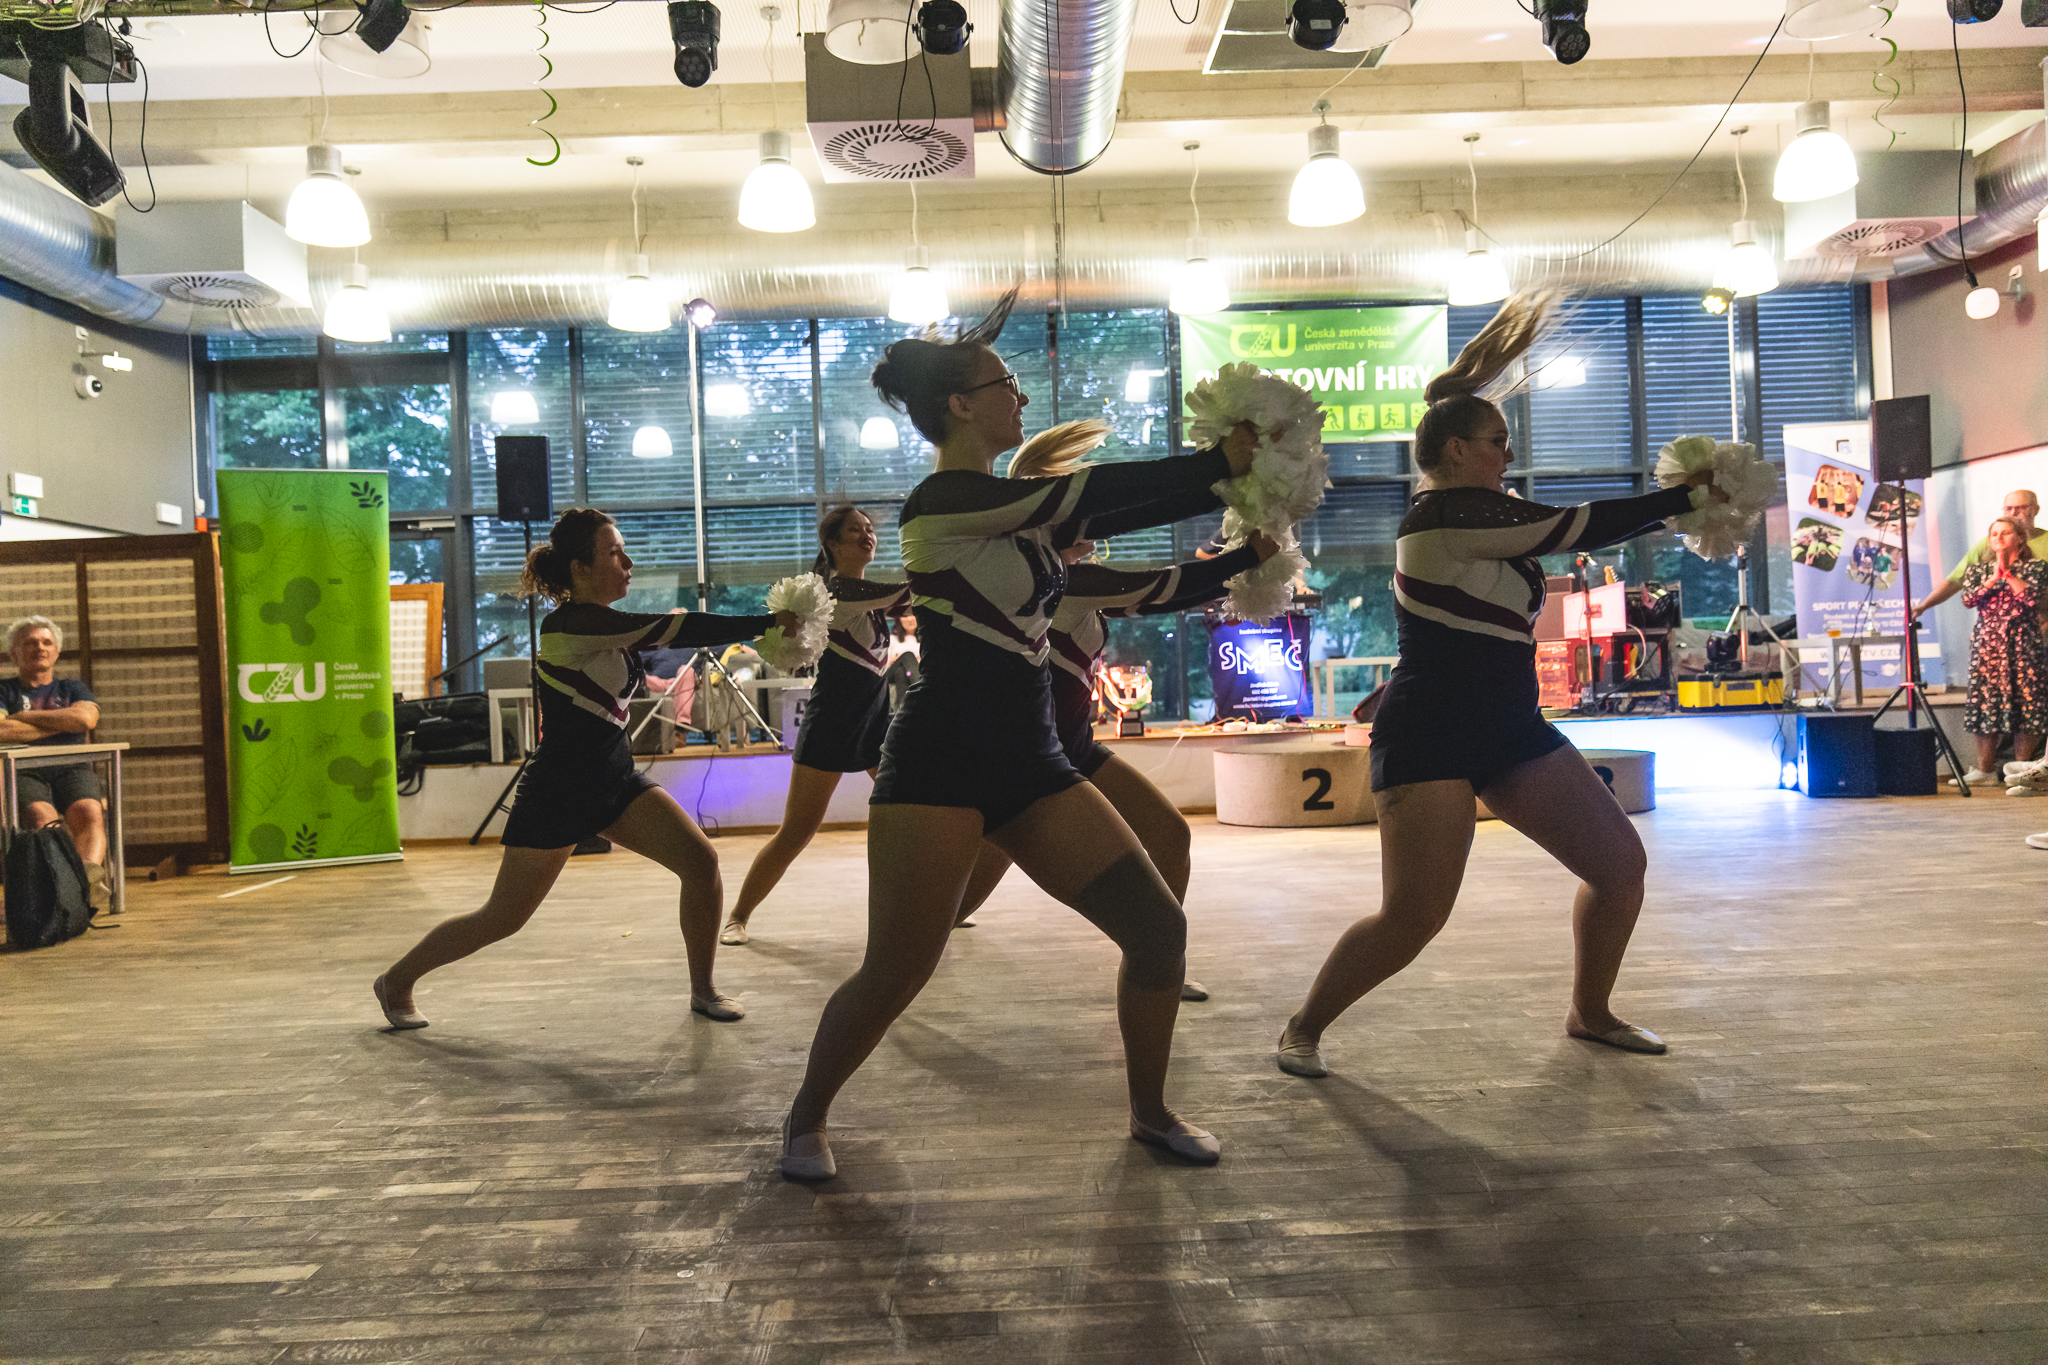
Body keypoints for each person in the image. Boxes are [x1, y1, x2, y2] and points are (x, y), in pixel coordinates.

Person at [779, 289, 1261, 1179]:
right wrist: (1212, 464)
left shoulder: (1017, 511)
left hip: (1033, 761)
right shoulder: (941, 501)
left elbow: (1111, 518)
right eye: (1007, 384)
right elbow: (1093, 491)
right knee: (897, 969)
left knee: (1157, 930)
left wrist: (1244, 525)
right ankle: (804, 1117)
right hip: (938, 761)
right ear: (961, 404)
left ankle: (1150, 1112)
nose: (1023, 398)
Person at [1273, 295, 1725, 1079]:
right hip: (1429, 732)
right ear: (1454, 450)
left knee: (1619, 866)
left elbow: (1555, 538)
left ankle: (1591, 1011)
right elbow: (1577, 526)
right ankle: (1303, 1024)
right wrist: (1684, 499)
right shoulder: (1438, 519)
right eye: (1496, 442)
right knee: (1414, 916)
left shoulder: (1487, 514)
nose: (1507, 455)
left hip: (1512, 727)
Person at [374, 508, 798, 1031]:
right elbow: (677, 627)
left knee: (700, 862)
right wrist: (764, 623)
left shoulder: (604, 624)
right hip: (560, 791)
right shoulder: (572, 625)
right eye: (614, 553)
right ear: (580, 568)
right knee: (502, 918)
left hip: (614, 783)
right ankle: (396, 980)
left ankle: (703, 990)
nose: (628, 563)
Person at [947, 420, 1279, 1002]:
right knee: (969, 880)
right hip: (1038, 757)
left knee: (1168, 836)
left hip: (1070, 747)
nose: (1091, 522)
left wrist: (1236, 552)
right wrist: (1246, 556)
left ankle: (1160, 960)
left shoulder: (1066, 577)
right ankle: (921, 936)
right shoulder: (1061, 581)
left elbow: (1154, 591)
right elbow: (1162, 588)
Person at [719, 505, 1006, 945]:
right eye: (855, 530)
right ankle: (737, 916)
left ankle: (943, 908)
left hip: (874, 726)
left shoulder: (870, 602)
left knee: (920, 813)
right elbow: (914, 590)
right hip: (832, 724)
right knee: (797, 832)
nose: (867, 535)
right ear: (833, 544)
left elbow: (918, 598)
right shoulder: (836, 592)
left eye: (870, 529)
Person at [0, 616, 113, 913]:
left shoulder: (73, 688)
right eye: (30, 642)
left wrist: (23, 718)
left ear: (57, 652)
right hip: (23, 769)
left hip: (73, 766)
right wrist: (63, 723)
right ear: (13, 654)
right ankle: (67, 887)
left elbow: (86, 719)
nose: (40, 647)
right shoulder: (3, 690)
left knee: (89, 812)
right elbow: (1, 730)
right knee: (42, 819)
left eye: (46, 642)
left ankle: (83, 882)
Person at [1954, 516, 2046, 791]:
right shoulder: (1978, 571)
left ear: (2020, 538)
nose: (1999, 538)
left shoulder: (2036, 568)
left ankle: (2023, 771)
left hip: (2024, 644)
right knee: (1986, 705)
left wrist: (2009, 575)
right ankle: (1985, 770)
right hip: (1988, 646)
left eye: (2006, 533)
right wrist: (1994, 577)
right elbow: (1969, 599)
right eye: (1994, 534)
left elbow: (2033, 599)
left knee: (2026, 706)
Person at [1914, 490, 2048, 620]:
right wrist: (1923, 606)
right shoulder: (1989, 544)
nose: (2013, 513)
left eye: (2021, 508)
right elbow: (1955, 580)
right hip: (1996, 627)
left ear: (2035, 510)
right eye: (2008, 508)